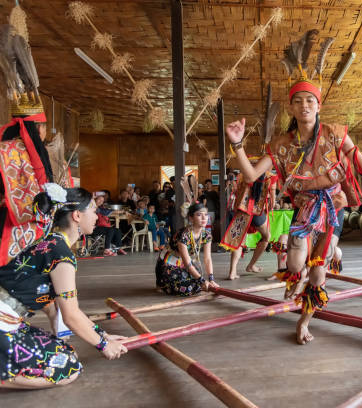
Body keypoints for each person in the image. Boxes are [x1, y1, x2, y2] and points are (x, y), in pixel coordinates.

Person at [225, 33, 362, 344]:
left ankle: (304, 320)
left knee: (316, 272)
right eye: (298, 101)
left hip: (332, 206)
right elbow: (250, 175)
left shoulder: (336, 134)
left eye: (310, 100)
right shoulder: (281, 145)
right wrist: (237, 145)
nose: (304, 106)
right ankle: (328, 257)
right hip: (303, 208)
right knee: (294, 265)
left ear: (319, 105)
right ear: (290, 107)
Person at [0, 184, 127, 389]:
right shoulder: (61, 254)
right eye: (93, 210)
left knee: (66, 353)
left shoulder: (50, 242)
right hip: (3, 324)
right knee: (68, 368)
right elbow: (71, 315)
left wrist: (101, 334)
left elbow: (56, 307)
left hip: (9, 321)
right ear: (77, 215)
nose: (97, 216)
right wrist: (103, 345)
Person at [0, 23, 55, 266]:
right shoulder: (23, 150)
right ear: (37, 129)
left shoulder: (6, 144)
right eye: (42, 127)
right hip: (15, 223)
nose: (44, 132)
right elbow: (41, 181)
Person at [221, 172, 276, 280]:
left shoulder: (243, 175)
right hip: (256, 212)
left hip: (242, 209)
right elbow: (272, 204)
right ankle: (251, 265)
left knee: (239, 240)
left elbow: (236, 192)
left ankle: (232, 272)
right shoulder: (271, 176)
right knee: (266, 237)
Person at [155, 203, 218, 296]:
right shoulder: (184, 235)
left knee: (198, 282)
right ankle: (162, 283)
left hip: (183, 264)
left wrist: (211, 279)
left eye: (206, 214)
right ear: (191, 218)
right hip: (168, 264)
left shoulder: (206, 235)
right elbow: (188, 263)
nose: (204, 218)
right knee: (188, 288)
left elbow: (207, 258)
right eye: (199, 214)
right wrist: (202, 280)